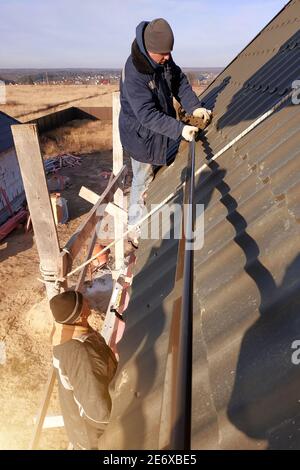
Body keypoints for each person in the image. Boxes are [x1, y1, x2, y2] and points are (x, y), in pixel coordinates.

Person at [119, 18, 212, 247]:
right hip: (141, 139)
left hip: (160, 131)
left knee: (157, 178)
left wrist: (194, 107)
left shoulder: (162, 59)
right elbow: (147, 115)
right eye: (163, 53)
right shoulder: (134, 74)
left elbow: (179, 81)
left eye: (169, 52)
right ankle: (135, 228)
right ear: (149, 50)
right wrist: (180, 129)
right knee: (142, 179)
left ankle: (155, 203)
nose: (168, 57)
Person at [50, 290, 117, 450]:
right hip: (93, 435)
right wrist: (116, 426)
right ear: (79, 316)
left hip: (82, 427)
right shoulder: (81, 352)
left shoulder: (68, 333)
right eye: (83, 302)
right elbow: (97, 410)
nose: (87, 301)